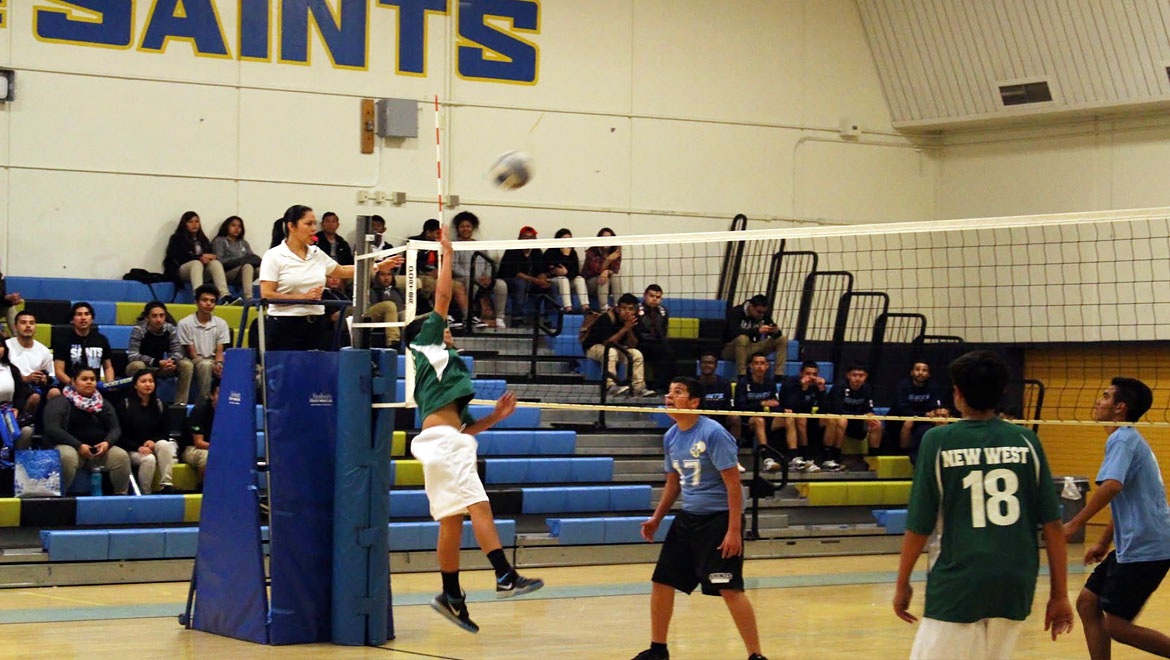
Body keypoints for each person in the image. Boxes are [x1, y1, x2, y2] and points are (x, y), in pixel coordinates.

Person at [403, 225, 543, 633]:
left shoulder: (446, 369)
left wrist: (494, 419)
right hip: (443, 444)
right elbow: (443, 297)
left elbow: (463, 430)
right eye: (437, 325)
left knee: (452, 519)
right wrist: (448, 254)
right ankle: (504, 575)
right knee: (478, 507)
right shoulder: (426, 345)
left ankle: (451, 594)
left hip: (443, 442)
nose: (445, 327)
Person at [893, 350, 1072, 659]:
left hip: (959, 578)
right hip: (1015, 579)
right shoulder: (1027, 440)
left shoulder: (938, 440)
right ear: (1003, 391)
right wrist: (1059, 595)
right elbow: (1054, 526)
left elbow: (919, 525)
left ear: (957, 393)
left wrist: (902, 584)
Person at [632, 377, 767, 660]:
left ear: (694, 402)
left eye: (678, 392)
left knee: (729, 588)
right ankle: (658, 650)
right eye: (668, 392)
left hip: (718, 521)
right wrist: (657, 518)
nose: (669, 396)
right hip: (688, 518)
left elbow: (733, 485)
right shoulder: (671, 436)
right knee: (662, 581)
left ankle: (756, 655)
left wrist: (733, 531)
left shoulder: (713, 433)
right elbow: (673, 483)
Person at [1063, 378, 1170, 659]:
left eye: (1106, 396)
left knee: (1118, 627)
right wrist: (1103, 542)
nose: (1098, 401)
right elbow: (1124, 497)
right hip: (1136, 543)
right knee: (1088, 603)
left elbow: (1112, 486)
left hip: (1147, 547)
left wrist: (1075, 523)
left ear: (1120, 407)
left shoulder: (1122, 438)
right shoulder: (1127, 438)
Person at [259, 205, 403, 351]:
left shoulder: (316, 253)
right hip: (285, 326)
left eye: (315, 223)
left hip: (316, 324)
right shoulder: (274, 256)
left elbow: (341, 270)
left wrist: (378, 266)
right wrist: (302, 297)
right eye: (308, 224)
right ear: (291, 226)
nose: (313, 228)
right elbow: (267, 294)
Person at [44, 365, 131, 495]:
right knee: (66, 456)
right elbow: (52, 429)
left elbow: (115, 428)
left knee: (121, 456)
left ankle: (120, 497)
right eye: (84, 379)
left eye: (92, 379)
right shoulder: (60, 402)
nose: (89, 382)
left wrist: (107, 443)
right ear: (73, 381)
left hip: (98, 451)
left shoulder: (103, 403)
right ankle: (59, 497)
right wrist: (78, 446)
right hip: (71, 448)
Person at [581, 293, 656, 398]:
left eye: (630, 309)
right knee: (611, 352)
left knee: (636, 354)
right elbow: (607, 343)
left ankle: (638, 388)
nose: (627, 312)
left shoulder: (634, 320)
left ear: (635, 310)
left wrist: (629, 329)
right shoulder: (607, 317)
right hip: (593, 347)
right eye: (624, 308)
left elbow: (633, 344)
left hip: (616, 348)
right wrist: (624, 328)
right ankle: (609, 386)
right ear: (617, 309)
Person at [116, 370, 178, 495]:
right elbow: (119, 434)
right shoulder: (125, 404)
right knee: (148, 459)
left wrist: (153, 441)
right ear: (135, 385)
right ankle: (146, 493)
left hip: (150, 446)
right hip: (130, 448)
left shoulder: (160, 404)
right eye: (143, 381)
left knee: (165, 444)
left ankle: (166, 484)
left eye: (151, 381)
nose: (148, 384)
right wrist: (137, 447)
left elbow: (165, 432)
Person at [127, 301, 193, 405]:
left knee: (186, 365)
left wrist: (172, 361)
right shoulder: (139, 330)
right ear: (147, 318)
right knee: (137, 365)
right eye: (154, 316)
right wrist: (156, 362)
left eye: (162, 316)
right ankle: (138, 402)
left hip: (160, 368)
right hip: (144, 367)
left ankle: (180, 405)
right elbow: (132, 355)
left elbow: (177, 351)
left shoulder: (170, 329)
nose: (158, 319)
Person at [820, 363, 880, 472]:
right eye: (854, 375)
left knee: (877, 424)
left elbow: (869, 409)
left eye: (861, 375)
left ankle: (872, 460)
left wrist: (870, 416)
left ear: (866, 376)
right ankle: (833, 457)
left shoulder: (866, 389)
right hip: (833, 419)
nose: (857, 378)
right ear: (848, 375)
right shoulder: (839, 387)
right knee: (842, 421)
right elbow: (838, 410)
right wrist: (862, 416)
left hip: (854, 421)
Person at [164, 211, 233, 305]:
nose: (194, 224)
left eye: (196, 221)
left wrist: (210, 258)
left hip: (200, 270)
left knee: (215, 263)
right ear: (184, 224)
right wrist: (200, 257)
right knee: (196, 263)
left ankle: (225, 296)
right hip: (182, 270)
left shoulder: (203, 239)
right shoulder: (177, 238)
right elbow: (177, 257)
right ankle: (199, 296)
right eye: (190, 222)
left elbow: (208, 254)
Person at [176, 285, 231, 402]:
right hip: (191, 360)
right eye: (204, 300)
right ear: (196, 302)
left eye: (212, 301)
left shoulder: (221, 324)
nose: (208, 304)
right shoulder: (184, 323)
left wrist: (219, 365)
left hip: (212, 360)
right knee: (205, 365)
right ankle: (203, 403)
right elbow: (191, 352)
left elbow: (220, 350)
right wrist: (208, 363)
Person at [733, 354, 782, 473]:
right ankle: (767, 459)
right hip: (746, 421)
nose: (759, 366)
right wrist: (761, 404)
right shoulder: (743, 383)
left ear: (767, 366)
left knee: (789, 419)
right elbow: (740, 407)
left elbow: (774, 403)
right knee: (759, 420)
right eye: (756, 363)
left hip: (766, 418)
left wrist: (782, 410)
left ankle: (795, 458)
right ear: (751, 366)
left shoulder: (770, 383)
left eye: (762, 363)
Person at [494, 226, 549, 329]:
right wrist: (536, 280)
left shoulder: (537, 252)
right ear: (520, 238)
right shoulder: (512, 250)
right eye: (526, 237)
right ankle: (517, 318)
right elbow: (517, 274)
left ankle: (547, 318)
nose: (529, 240)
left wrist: (543, 277)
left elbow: (541, 269)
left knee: (551, 285)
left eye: (532, 238)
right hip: (509, 280)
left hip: (530, 281)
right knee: (520, 283)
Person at [7, 310, 60, 416]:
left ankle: (48, 426)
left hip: (35, 386)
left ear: (35, 327)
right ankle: (24, 421)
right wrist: (25, 378)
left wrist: (44, 379)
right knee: (34, 396)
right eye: (23, 323)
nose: (28, 326)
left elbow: (50, 375)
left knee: (55, 392)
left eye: (31, 323)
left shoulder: (43, 350)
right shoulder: (7, 346)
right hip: (15, 386)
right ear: (15, 327)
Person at [893, 362, 948, 461]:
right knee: (908, 423)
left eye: (924, 370)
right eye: (917, 369)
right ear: (912, 372)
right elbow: (902, 409)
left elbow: (936, 406)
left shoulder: (933, 387)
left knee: (940, 421)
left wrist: (934, 414)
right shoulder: (904, 386)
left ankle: (939, 452)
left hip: (924, 420)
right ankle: (906, 452)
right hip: (902, 419)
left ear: (928, 374)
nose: (920, 373)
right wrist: (924, 414)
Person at [778, 361, 826, 473]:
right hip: (786, 415)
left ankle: (829, 458)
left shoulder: (815, 385)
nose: (811, 377)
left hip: (807, 417)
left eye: (814, 374)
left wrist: (822, 390)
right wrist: (803, 388)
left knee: (831, 421)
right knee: (800, 419)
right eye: (808, 374)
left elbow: (824, 408)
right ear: (801, 373)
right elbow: (791, 405)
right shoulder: (790, 383)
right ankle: (798, 457)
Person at [722, 295, 785, 378]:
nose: (761, 315)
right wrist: (757, 331)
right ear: (751, 307)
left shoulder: (763, 315)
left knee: (782, 339)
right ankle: (742, 375)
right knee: (742, 338)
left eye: (763, 312)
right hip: (731, 349)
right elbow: (734, 333)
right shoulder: (736, 312)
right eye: (759, 312)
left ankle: (778, 375)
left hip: (751, 347)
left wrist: (775, 331)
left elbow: (775, 333)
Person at [53, 302, 114, 386]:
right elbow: (59, 372)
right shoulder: (62, 340)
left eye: (87, 314)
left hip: (94, 387)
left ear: (92, 318)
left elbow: (108, 367)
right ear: (72, 319)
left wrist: (109, 385)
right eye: (79, 314)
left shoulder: (101, 339)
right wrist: (75, 385)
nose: (83, 318)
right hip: (70, 387)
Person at [450, 211, 491, 328]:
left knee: (501, 285)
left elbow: (488, 263)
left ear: (473, 228)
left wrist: (487, 276)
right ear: (458, 229)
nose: (465, 229)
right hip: (464, 278)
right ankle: (470, 316)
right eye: (462, 227)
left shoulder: (481, 245)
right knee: (469, 282)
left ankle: (499, 318)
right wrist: (471, 275)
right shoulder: (455, 245)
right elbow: (453, 266)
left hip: (482, 279)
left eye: (468, 226)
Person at [212, 216, 259, 301]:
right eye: (233, 225)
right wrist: (240, 261)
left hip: (242, 272)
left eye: (239, 226)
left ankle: (263, 297)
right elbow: (220, 261)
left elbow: (253, 258)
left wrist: (243, 261)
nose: (236, 228)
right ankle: (248, 298)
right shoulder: (220, 240)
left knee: (258, 268)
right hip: (227, 273)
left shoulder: (243, 243)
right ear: (227, 226)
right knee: (247, 266)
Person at [637, 284, 674, 392]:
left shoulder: (663, 311)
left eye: (657, 297)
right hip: (641, 342)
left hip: (657, 342)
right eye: (651, 296)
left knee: (669, 352)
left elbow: (664, 330)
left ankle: (662, 386)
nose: (654, 299)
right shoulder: (637, 309)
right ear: (645, 296)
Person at [181, 378, 218, 485]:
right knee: (207, 457)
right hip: (193, 448)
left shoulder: (231, 414)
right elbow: (199, 443)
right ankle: (202, 489)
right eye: (219, 393)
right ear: (211, 396)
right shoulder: (200, 411)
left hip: (217, 447)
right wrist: (222, 448)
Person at [543, 228, 589, 313]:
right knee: (563, 279)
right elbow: (553, 270)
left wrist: (566, 272)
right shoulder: (550, 252)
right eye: (564, 239)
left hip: (569, 278)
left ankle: (585, 307)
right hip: (554, 280)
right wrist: (565, 257)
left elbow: (575, 271)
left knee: (580, 279)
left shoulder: (573, 253)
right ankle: (568, 308)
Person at [0, 340, 34, 449]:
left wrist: (17, 408)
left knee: (26, 431)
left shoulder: (12, 369)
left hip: (8, 412)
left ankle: (16, 463)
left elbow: (21, 393)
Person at [697, 351, 738, 439]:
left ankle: (732, 448)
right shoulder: (693, 383)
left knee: (735, 418)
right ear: (700, 365)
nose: (707, 365)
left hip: (720, 417)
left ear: (716, 366)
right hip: (699, 418)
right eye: (704, 362)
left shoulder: (724, 383)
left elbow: (729, 406)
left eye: (710, 363)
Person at [582, 227, 623, 310]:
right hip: (591, 283)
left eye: (609, 239)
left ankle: (618, 306)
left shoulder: (615, 252)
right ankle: (604, 308)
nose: (606, 241)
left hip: (606, 282)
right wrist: (608, 260)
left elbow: (615, 270)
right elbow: (596, 270)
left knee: (615, 277)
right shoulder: (592, 252)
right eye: (604, 238)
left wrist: (607, 271)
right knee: (604, 278)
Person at [363, 269, 402, 346]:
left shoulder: (398, 291)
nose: (386, 278)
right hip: (374, 316)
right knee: (389, 305)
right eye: (383, 275)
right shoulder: (371, 291)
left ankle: (411, 342)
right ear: (377, 277)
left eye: (389, 274)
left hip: (397, 314)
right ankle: (393, 341)